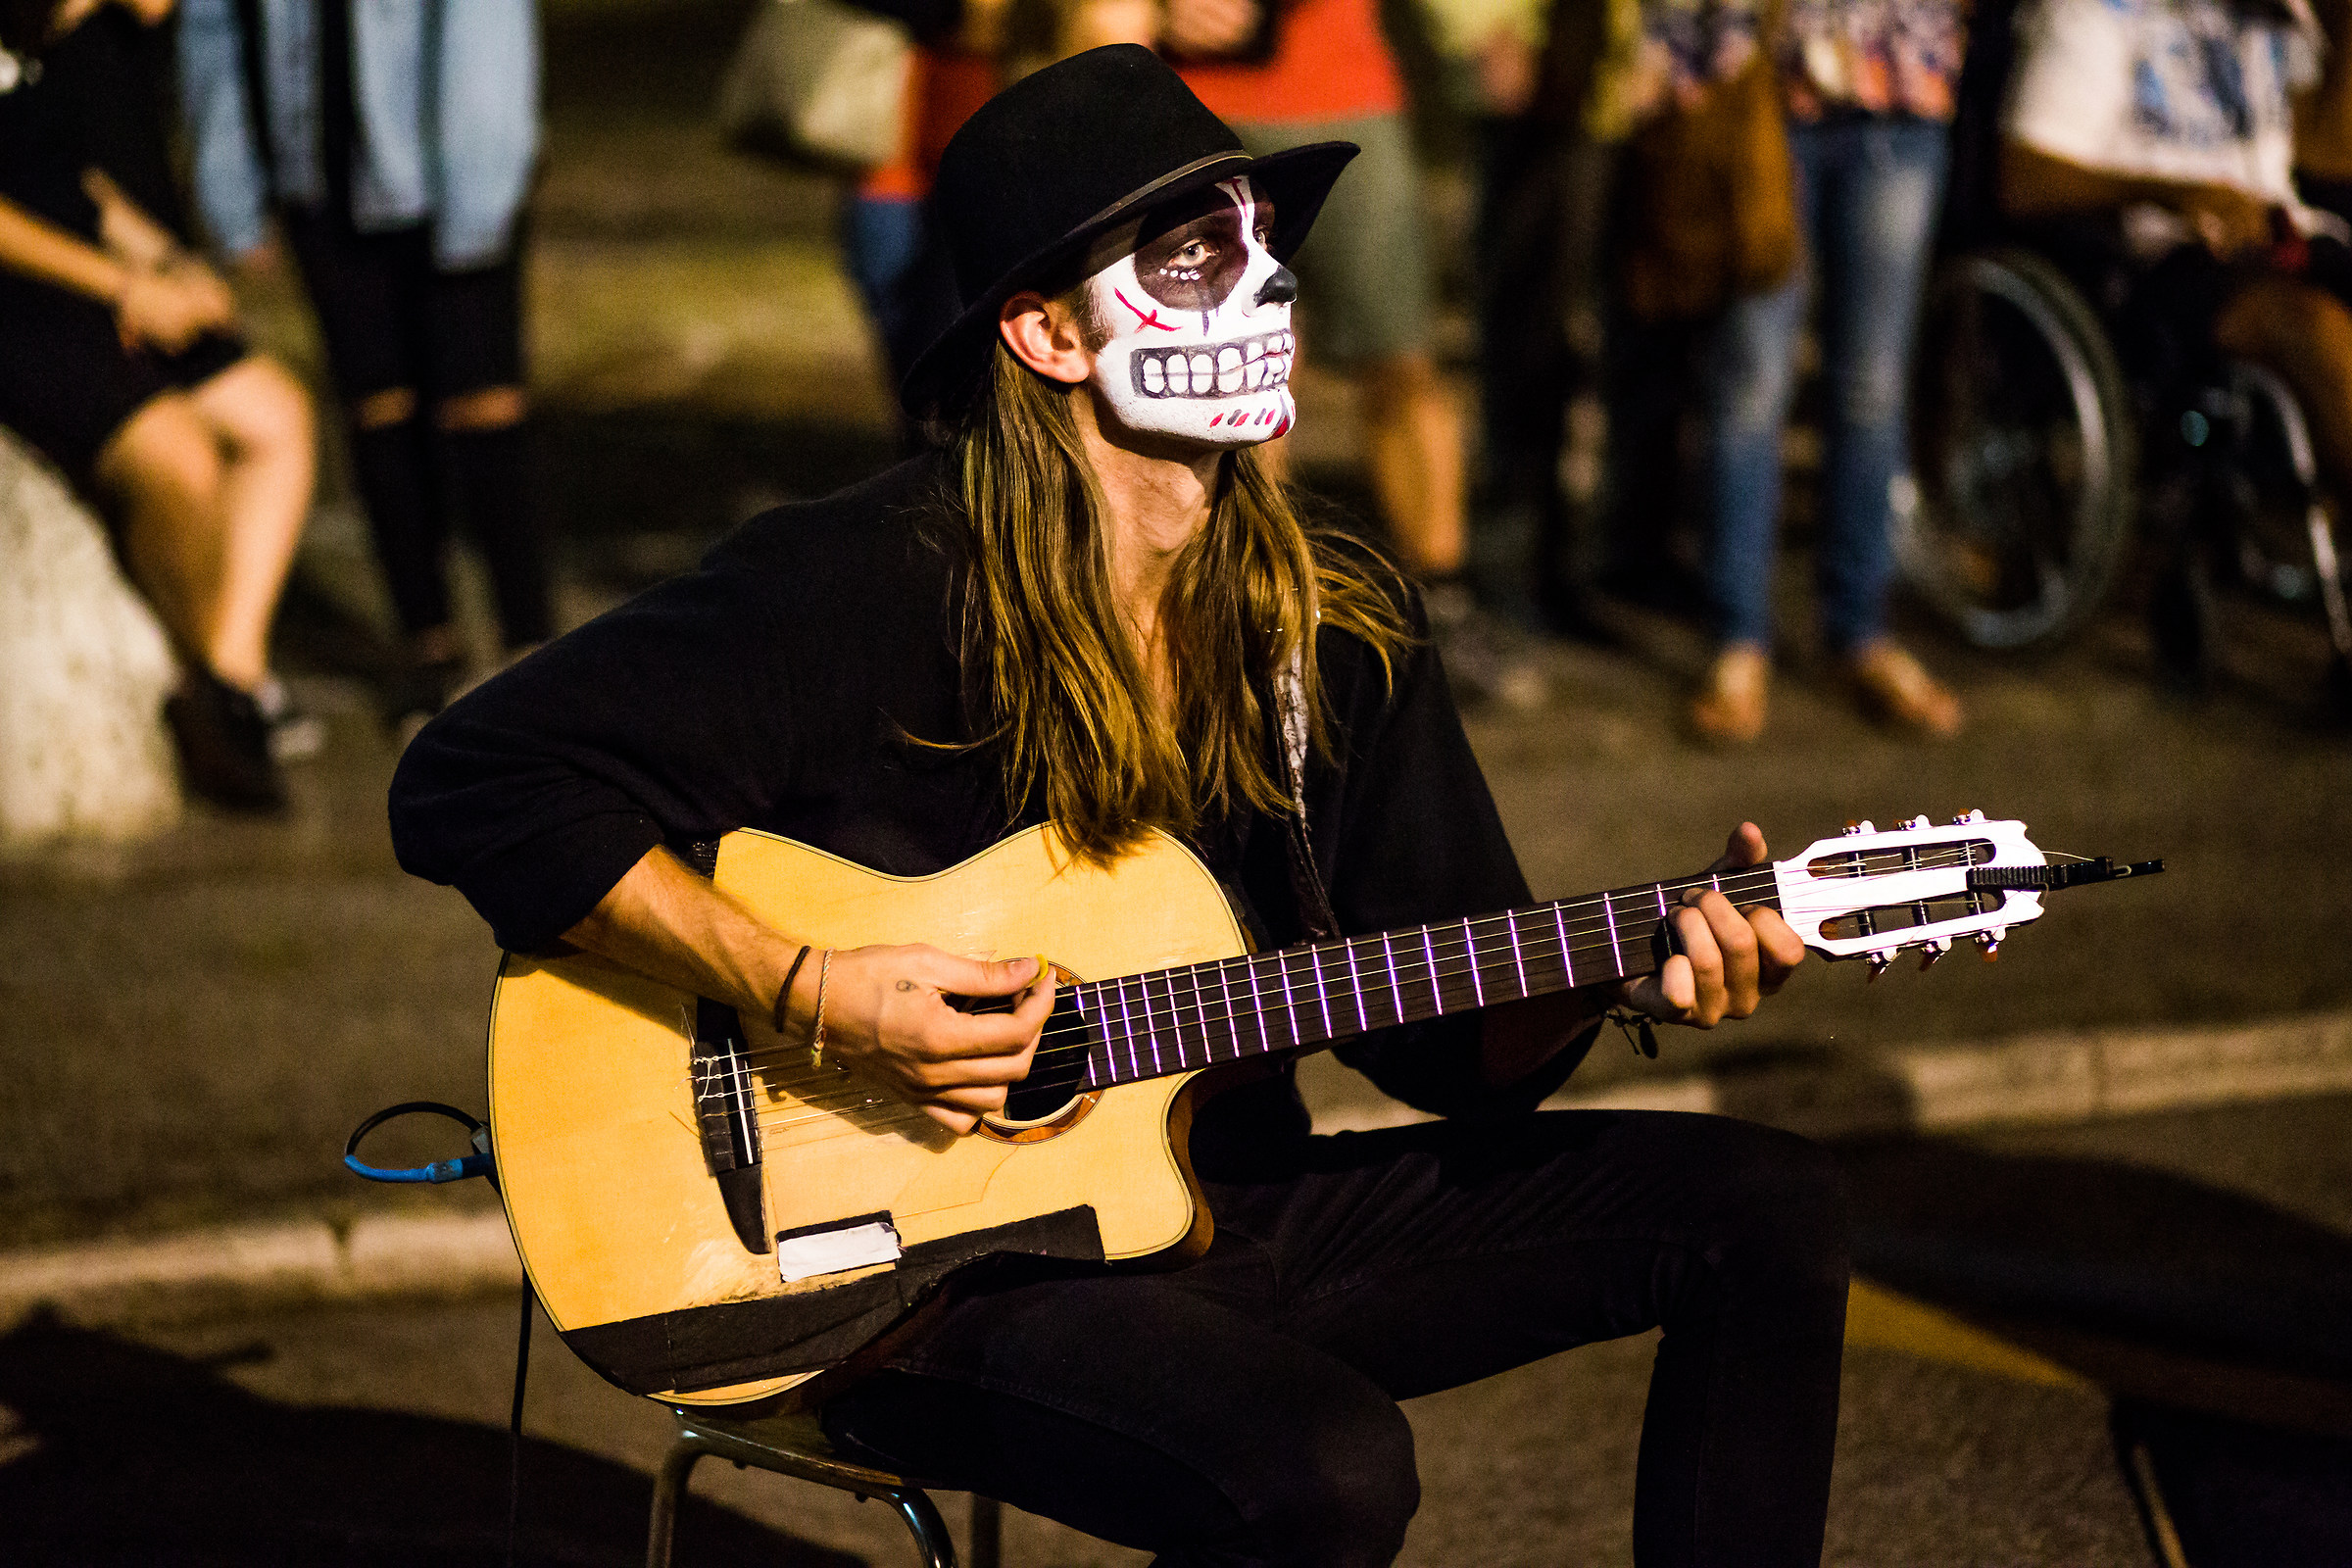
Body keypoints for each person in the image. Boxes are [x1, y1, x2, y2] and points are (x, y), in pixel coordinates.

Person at [389, 48, 1848, 1566]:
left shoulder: (1330, 624)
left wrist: (1612, 971)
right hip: (914, 1272)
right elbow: (472, 780)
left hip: (1222, 1204)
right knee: (1330, 1468)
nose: (1264, 295)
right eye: (1195, 258)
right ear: (1045, 332)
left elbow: (1442, 1048)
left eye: (1265, 254)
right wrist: (815, 990)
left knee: (1768, 1201)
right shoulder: (876, 581)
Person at [178, 0, 548, 727]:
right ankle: (428, 650)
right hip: (318, 163)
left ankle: (533, 651)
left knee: (484, 404)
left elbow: (486, 24)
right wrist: (231, 189)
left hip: (452, 147)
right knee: (377, 410)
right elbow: (213, 23)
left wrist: (481, 179)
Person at [0, 0, 316, 810]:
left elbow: (72, 178)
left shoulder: (39, 39)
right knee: (179, 456)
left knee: (278, 419)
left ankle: (228, 678)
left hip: (99, 272)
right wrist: (125, 288)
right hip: (31, 300)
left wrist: (171, 263)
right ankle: (223, 706)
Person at [1687, 0, 1969, 745]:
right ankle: (1738, 636)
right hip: (1763, 90)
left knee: (1874, 384)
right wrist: (1697, 67)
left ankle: (1860, 631)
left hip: (1901, 87)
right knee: (1752, 380)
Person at [2002, 0, 2352, 503]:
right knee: (2314, 333)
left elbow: (2327, 155)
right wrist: (2179, 195)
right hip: (2162, 259)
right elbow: (2024, 177)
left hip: (2283, 234)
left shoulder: (2269, 18)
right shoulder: (2096, 13)